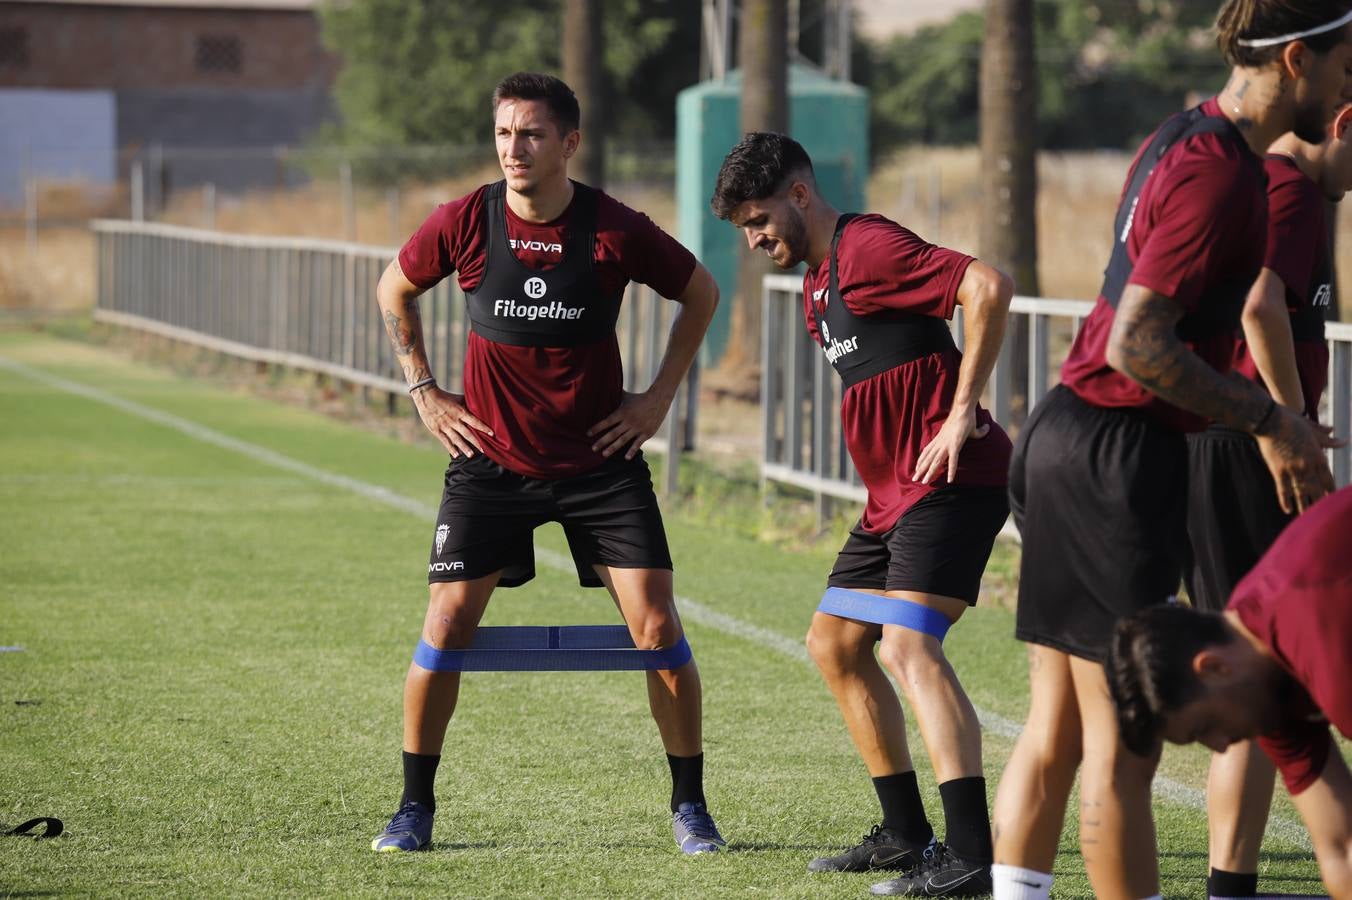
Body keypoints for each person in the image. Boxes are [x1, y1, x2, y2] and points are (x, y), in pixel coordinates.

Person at [989, 4, 1352, 898]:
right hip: (1116, 450)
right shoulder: (1227, 175)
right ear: (1300, 59)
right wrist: (1278, 423)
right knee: (1122, 743)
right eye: (1348, 67)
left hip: (1066, 438)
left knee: (1060, 728)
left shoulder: (1181, 133)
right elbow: (1139, 346)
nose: (1351, 91)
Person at [368, 72, 722, 854]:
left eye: (530, 135)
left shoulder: (614, 229)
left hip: (601, 462)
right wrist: (424, 390)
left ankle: (691, 808)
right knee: (445, 624)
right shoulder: (464, 220)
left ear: (569, 143)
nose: (513, 149)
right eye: (502, 134)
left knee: (658, 626)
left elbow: (701, 291)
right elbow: (394, 289)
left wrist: (658, 396)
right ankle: (413, 809)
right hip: (490, 464)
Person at [712, 132, 1015, 897]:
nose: (754, 240)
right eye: (745, 229)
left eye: (759, 220)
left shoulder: (869, 247)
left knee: (906, 650)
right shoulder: (817, 284)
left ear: (801, 195)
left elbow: (988, 287)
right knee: (836, 644)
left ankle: (972, 858)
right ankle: (907, 835)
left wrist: (961, 410)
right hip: (893, 500)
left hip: (952, 479)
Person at [1185, 102, 1352, 900]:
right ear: (1344, 120)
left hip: (1238, 447)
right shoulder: (1286, 187)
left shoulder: (1294, 191)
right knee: (1251, 673)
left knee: (1263, 678)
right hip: (1243, 455)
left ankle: (1233, 884)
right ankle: (1229, 885)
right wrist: (1290, 425)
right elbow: (1258, 307)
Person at [1106, 486, 1352, 900]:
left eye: (1204, 726)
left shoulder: (1321, 634)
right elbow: (1341, 848)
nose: (1220, 746)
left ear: (1214, 666)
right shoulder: (1263, 682)